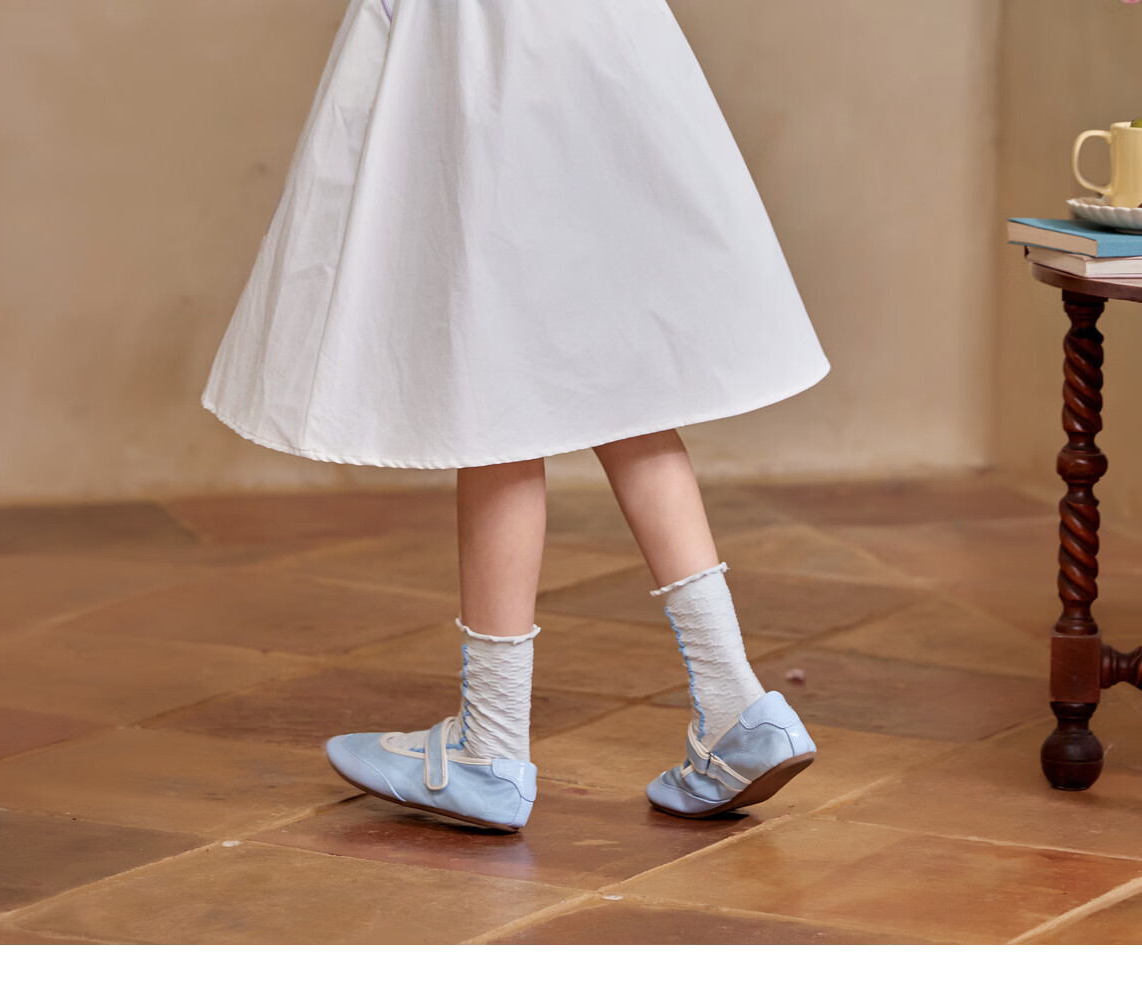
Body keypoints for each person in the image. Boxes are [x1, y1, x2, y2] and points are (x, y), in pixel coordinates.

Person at [201, 0, 829, 832]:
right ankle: (733, 700)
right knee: (615, 367)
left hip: (480, 40)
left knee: (491, 365)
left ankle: (491, 743)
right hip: (599, 38)